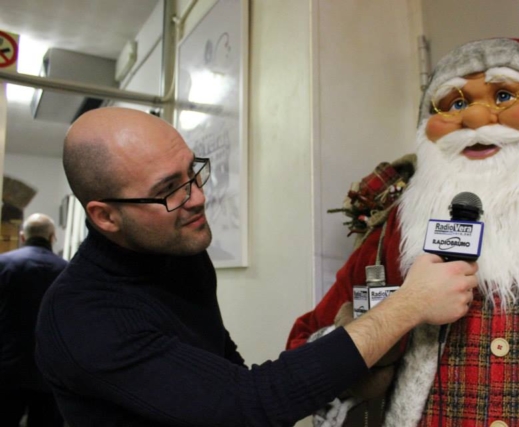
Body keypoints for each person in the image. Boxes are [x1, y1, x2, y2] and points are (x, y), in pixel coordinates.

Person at [34, 106, 479, 426]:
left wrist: (351, 364)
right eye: (169, 190)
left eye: (192, 171)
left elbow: (229, 370)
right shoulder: (81, 318)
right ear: (106, 217)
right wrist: (409, 304)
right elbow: (246, 406)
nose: (198, 197)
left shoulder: (177, 251)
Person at [286, 38, 519, 426]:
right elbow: (306, 344)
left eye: (503, 95)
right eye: (454, 104)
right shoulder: (398, 231)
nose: (474, 118)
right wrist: (375, 336)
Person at [0, 213, 67, 427]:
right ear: (52, 237)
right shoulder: (66, 271)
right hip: (49, 371)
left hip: (6, 367)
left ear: (22, 236)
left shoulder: (3, 264)